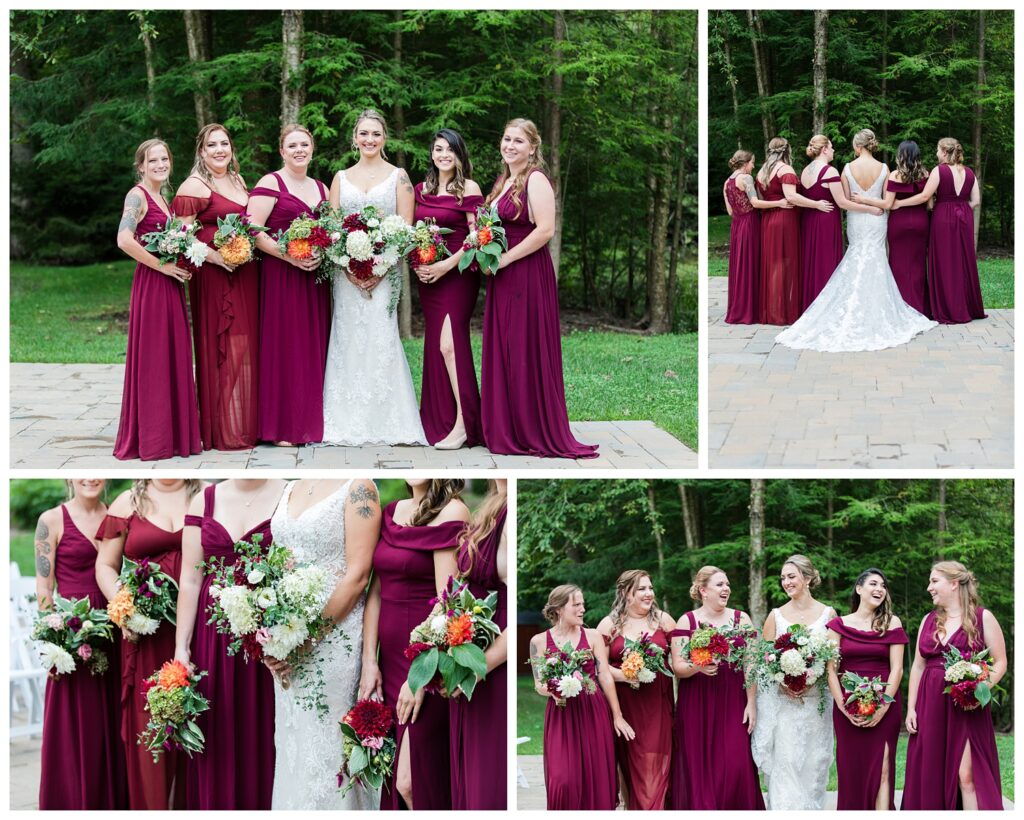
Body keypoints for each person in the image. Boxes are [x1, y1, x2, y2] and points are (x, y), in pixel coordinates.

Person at [480, 118, 598, 459]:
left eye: (518, 141)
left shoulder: (536, 179)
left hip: (526, 272)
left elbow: (545, 230)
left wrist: (505, 260)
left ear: (533, 147)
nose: (510, 146)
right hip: (501, 275)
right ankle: (508, 426)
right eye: (506, 139)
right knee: (504, 347)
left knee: (523, 347)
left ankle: (531, 429)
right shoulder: (504, 180)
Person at [267, 478, 380, 809]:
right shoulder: (289, 486)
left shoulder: (359, 487)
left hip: (335, 643)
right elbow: (276, 565)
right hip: (288, 641)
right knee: (294, 745)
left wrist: (308, 638)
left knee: (331, 750)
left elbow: (359, 575)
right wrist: (268, 637)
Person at [174, 479, 285, 809]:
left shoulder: (288, 493)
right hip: (213, 642)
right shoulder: (203, 500)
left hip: (267, 636)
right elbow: (191, 579)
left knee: (262, 736)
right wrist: (182, 646)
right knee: (218, 735)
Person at [95, 479, 204, 809]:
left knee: (201, 730)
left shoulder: (207, 495)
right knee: (151, 740)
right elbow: (105, 565)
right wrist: (123, 607)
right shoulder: (127, 502)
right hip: (148, 635)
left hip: (201, 631)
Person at [776, 128, 936, 351]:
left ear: (857, 147)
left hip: (856, 220)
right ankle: (876, 309)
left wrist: (861, 204)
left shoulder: (846, 169)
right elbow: (884, 199)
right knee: (877, 258)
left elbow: (844, 198)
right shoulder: (884, 168)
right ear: (871, 145)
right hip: (877, 218)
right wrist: (872, 206)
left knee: (856, 255)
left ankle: (852, 305)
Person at [321, 109, 426, 446]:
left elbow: (406, 229)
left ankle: (386, 420)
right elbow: (333, 229)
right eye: (363, 134)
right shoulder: (340, 177)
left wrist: (380, 270)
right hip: (346, 275)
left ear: (385, 138)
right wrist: (348, 267)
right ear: (355, 138)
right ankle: (345, 419)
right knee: (348, 341)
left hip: (385, 274)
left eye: (375, 134)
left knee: (380, 339)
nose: (369, 139)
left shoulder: (400, 177)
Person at [363, 480, 469, 809]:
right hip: (388, 663)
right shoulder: (392, 512)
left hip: (426, 663)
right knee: (392, 773)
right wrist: (369, 661)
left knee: (413, 781)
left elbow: (447, 602)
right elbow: (376, 592)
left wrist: (421, 675)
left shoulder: (452, 510)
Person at [36, 480, 127, 809]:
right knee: (75, 729)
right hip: (72, 638)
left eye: (96, 474)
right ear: (69, 478)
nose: (90, 479)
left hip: (112, 633)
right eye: (82, 473)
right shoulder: (51, 520)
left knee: (113, 725)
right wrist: (54, 643)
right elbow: (44, 591)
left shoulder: (117, 515)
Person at [172, 124, 260, 451]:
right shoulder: (194, 186)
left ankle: (234, 419)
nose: (220, 149)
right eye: (213, 145)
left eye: (224, 144)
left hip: (244, 271)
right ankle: (218, 428)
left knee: (243, 347)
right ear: (201, 151)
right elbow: (179, 236)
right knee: (222, 347)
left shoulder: (237, 180)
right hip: (215, 275)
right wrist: (214, 257)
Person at [113, 139, 201, 460]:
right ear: (141, 166)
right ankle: (154, 439)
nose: (160, 165)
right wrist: (162, 265)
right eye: (153, 161)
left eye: (165, 159)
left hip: (171, 285)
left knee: (172, 354)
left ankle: (173, 435)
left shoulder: (162, 198)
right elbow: (124, 239)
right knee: (154, 359)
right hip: (152, 285)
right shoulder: (137, 196)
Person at [247, 125, 331, 445]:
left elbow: (331, 230)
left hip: (313, 278)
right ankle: (282, 426)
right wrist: (288, 255)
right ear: (282, 151)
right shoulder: (271, 182)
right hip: (281, 275)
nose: (299, 150)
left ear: (312, 149)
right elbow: (252, 229)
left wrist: (323, 252)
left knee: (311, 346)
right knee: (285, 346)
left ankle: (308, 421)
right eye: (292, 145)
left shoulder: (322, 189)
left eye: (304, 144)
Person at [902, 561, 1006, 810]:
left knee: (967, 775)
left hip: (966, 708)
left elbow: (1000, 662)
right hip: (931, 706)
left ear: (954, 583)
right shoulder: (928, 620)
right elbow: (918, 666)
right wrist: (911, 708)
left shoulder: (982, 617)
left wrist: (978, 691)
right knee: (931, 771)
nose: (929, 588)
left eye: (934, 581)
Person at [412, 129, 485, 449]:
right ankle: (439, 420)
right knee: (436, 347)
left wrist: (446, 265)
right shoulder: (420, 189)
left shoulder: (469, 188)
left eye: (450, 150)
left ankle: (464, 424)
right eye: (438, 149)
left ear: (459, 155)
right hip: (429, 276)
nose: (444, 154)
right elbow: (414, 233)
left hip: (458, 273)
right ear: (432, 153)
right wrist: (418, 261)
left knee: (449, 345)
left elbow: (477, 236)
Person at [529, 585, 633, 809]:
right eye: (576, 604)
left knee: (595, 776)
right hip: (561, 713)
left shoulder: (593, 636)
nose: (582, 609)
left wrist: (617, 716)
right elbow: (539, 684)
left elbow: (604, 676)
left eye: (583, 604)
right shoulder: (538, 641)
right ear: (558, 609)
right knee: (563, 780)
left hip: (592, 710)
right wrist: (554, 690)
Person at [670, 566, 763, 810]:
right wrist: (697, 667)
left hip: (733, 698)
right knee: (700, 765)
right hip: (697, 700)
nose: (727, 589)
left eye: (728, 584)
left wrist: (751, 703)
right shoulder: (687, 621)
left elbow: (751, 663)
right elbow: (678, 666)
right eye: (720, 584)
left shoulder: (741, 619)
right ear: (703, 590)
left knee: (735, 764)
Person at [750, 554, 836, 810]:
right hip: (785, 707)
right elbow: (764, 664)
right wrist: (784, 683)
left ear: (808, 578)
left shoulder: (828, 614)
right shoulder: (776, 617)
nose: (786, 582)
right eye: (783, 578)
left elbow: (833, 660)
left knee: (814, 770)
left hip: (817, 706)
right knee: (786, 766)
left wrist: (811, 680)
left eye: (791, 576)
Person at [825, 568, 907, 810]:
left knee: (882, 768)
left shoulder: (891, 623)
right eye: (873, 583)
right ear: (859, 589)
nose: (879, 589)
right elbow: (831, 669)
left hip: (885, 702)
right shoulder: (838, 625)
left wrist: (882, 708)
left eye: (883, 585)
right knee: (851, 770)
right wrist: (842, 705)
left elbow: (898, 670)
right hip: (847, 704)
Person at [449, 479, 508, 809]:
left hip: (490, 664)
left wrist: (475, 668)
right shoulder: (492, 504)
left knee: (487, 781)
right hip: (470, 654)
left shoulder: (509, 510)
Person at [596, 570, 675, 809]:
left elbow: (682, 660)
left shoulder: (663, 620)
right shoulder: (609, 625)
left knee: (654, 771)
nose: (649, 593)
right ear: (625, 593)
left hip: (657, 705)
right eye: (641, 589)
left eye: (650, 588)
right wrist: (625, 674)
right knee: (630, 770)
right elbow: (595, 667)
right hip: (624, 707)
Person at [891, 137, 985, 323]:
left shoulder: (939, 170)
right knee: (963, 261)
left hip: (943, 217)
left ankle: (947, 308)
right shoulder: (969, 172)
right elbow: (975, 201)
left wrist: (900, 203)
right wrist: (961, 209)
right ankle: (967, 306)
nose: (935, 153)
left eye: (937, 150)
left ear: (943, 152)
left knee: (944, 262)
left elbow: (925, 196)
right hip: (964, 217)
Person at [798, 134, 883, 310]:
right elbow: (843, 203)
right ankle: (827, 306)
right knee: (825, 262)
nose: (834, 150)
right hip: (825, 221)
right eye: (831, 146)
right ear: (824, 149)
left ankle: (811, 303)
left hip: (809, 221)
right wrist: (870, 208)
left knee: (812, 262)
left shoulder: (806, 170)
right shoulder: (830, 171)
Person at [755, 136, 833, 324]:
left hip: (768, 220)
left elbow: (761, 199)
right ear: (787, 150)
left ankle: (772, 310)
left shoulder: (762, 171)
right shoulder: (786, 169)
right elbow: (791, 197)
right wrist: (816, 204)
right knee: (786, 264)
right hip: (784, 219)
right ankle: (784, 312)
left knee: (773, 265)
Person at [852, 139, 932, 315]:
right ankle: (920, 308)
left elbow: (888, 203)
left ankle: (900, 308)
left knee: (898, 263)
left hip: (899, 224)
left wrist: (864, 199)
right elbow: (929, 204)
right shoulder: (926, 174)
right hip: (920, 222)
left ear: (900, 155)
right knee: (918, 264)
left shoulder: (895, 175)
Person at [722, 149, 794, 324]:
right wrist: (779, 203)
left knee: (741, 265)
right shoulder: (745, 178)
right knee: (752, 264)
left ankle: (739, 308)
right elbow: (755, 203)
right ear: (745, 163)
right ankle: (751, 310)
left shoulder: (727, 182)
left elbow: (730, 211)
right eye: (752, 162)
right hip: (750, 224)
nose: (754, 166)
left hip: (737, 226)